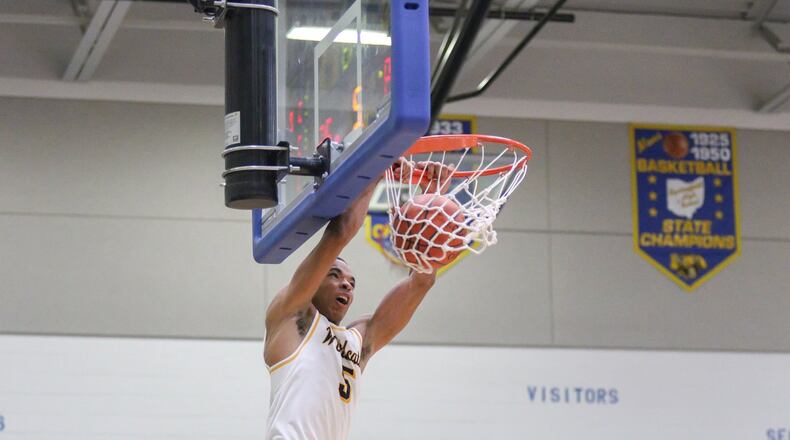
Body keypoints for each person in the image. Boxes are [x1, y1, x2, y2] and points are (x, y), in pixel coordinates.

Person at [263, 160, 452, 440]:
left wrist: (434, 200)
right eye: (335, 275)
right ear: (313, 282)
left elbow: (422, 282)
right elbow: (341, 231)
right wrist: (379, 164)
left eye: (352, 283)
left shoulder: (357, 341)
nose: (346, 284)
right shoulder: (291, 315)